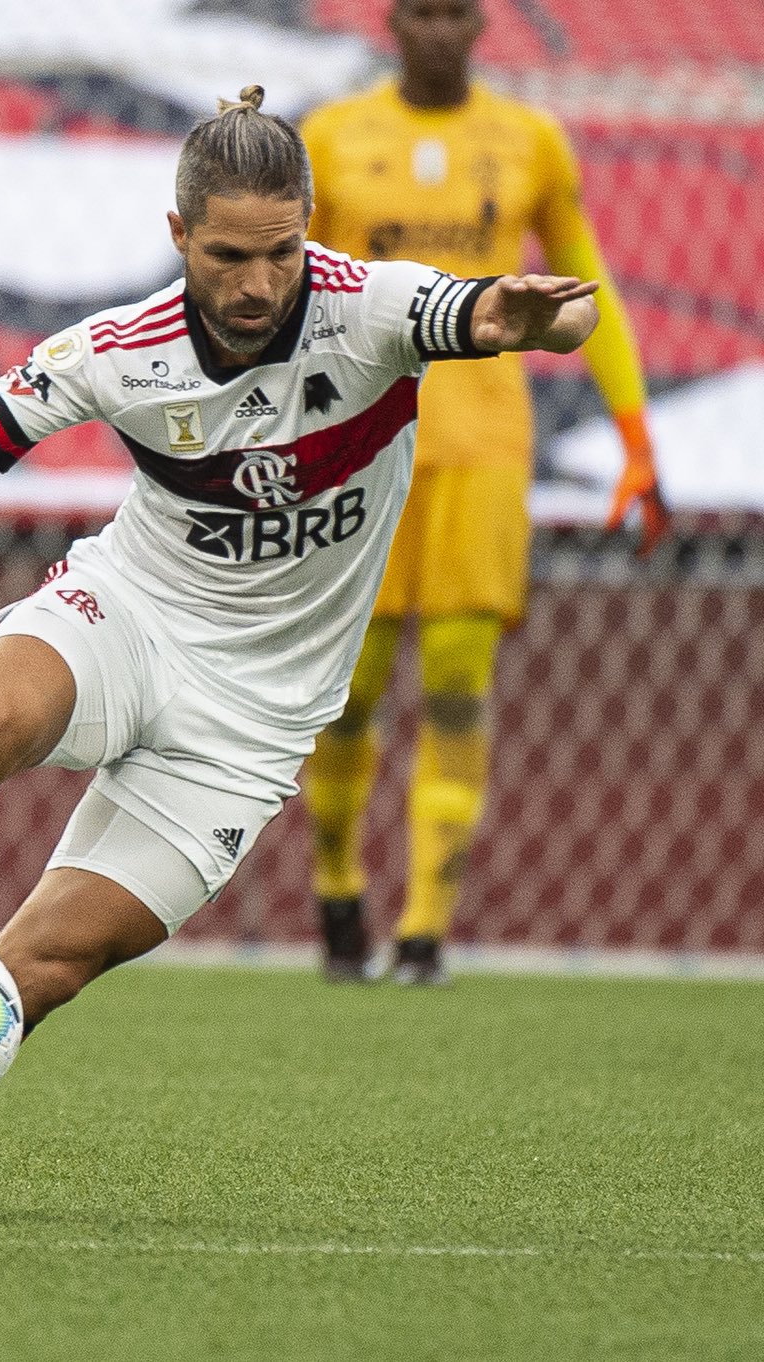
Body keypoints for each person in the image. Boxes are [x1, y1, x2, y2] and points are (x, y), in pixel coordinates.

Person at [0, 87, 598, 1200]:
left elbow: (512, 315)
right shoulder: (121, 349)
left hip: (256, 715)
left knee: (26, 980)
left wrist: (539, 319)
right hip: (134, 613)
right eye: (229, 255)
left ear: (308, 231)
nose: (256, 284)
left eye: (281, 252)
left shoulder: (375, 307)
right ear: (177, 236)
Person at [297, 0, 666, 985]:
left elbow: (586, 284)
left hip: (484, 450)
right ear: (389, 24)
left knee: (457, 691)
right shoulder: (329, 140)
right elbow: (289, 298)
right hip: (357, 446)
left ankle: (422, 931)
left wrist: (634, 436)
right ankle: (337, 885)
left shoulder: (528, 141)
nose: (435, 31)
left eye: (453, 14)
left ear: (477, 26)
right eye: (418, 13)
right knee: (346, 697)